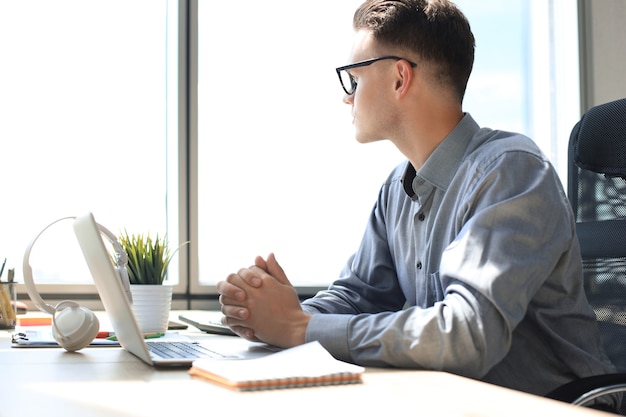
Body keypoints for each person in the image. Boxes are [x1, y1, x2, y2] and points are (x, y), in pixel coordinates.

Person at [216, 0, 617, 402]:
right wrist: (270, 313)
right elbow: (360, 295)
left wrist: (298, 328)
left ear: (399, 78)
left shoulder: (510, 172)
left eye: (354, 80)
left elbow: (466, 334)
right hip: (458, 400)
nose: (347, 98)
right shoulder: (396, 188)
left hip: (558, 406)